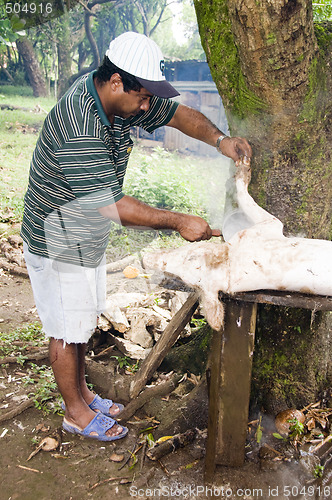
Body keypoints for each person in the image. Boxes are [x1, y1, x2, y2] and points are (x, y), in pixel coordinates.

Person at [21, 32, 252, 442]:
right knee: (64, 326)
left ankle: (84, 395)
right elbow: (113, 206)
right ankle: (74, 413)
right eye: (144, 97)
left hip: (83, 234)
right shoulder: (79, 122)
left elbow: (177, 115)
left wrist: (221, 141)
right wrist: (179, 220)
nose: (148, 106)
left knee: (79, 318)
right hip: (57, 237)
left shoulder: (124, 99)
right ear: (115, 83)